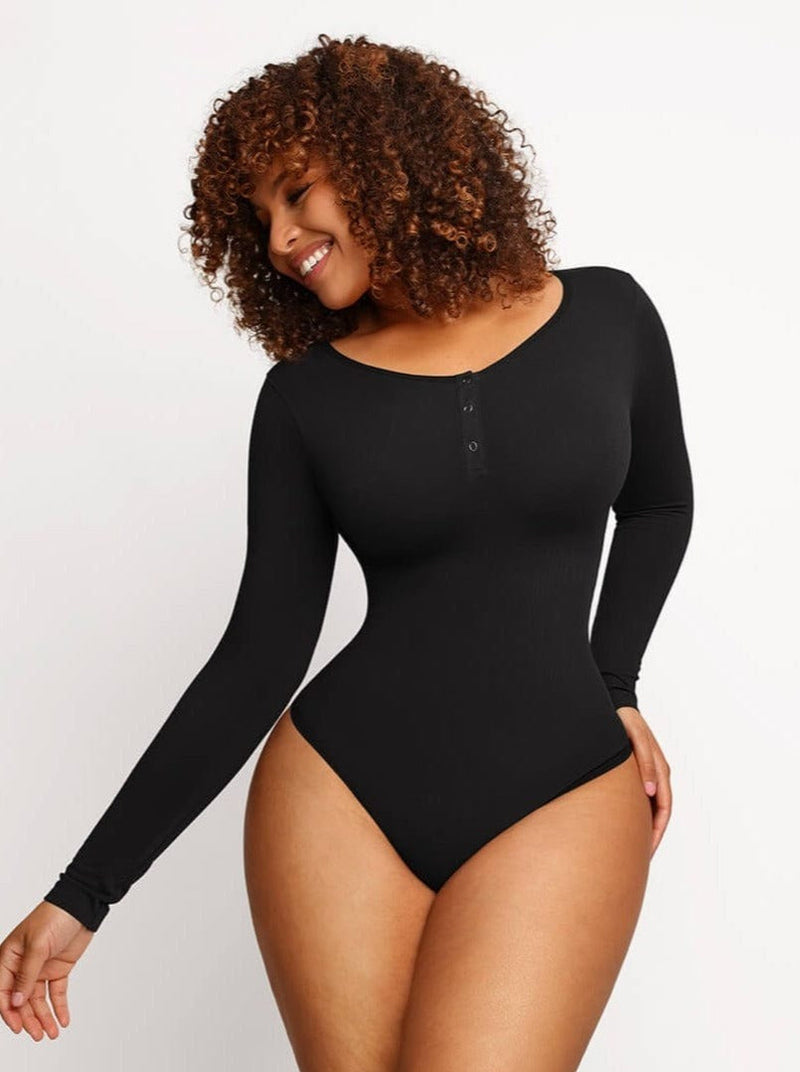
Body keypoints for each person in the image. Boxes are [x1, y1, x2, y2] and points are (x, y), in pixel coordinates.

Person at [0, 33, 693, 1071]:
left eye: (296, 193)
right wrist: (83, 894)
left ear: (385, 155)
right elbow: (258, 655)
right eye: (259, 221)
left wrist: (615, 682)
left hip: (564, 785)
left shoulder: (608, 314)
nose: (281, 239)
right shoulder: (306, 399)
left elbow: (659, 503)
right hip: (339, 798)